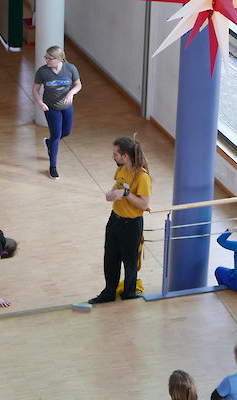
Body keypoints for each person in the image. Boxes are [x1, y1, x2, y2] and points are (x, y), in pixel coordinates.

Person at [89, 136, 151, 304]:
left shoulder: (142, 177)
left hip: (131, 225)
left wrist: (126, 194)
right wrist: (111, 193)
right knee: (110, 258)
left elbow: (144, 204)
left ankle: (129, 292)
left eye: (115, 153)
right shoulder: (122, 169)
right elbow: (117, 185)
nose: (113, 156)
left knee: (129, 261)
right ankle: (109, 292)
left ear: (125, 156)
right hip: (115, 220)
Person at [32, 45, 82, 180]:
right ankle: (52, 166)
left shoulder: (70, 69)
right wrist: (40, 103)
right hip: (50, 107)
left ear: (59, 59)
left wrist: (71, 93)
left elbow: (78, 84)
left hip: (66, 106)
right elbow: (35, 89)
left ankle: (49, 143)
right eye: (46, 58)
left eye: (50, 58)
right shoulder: (43, 72)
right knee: (56, 134)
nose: (46, 61)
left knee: (67, 132)